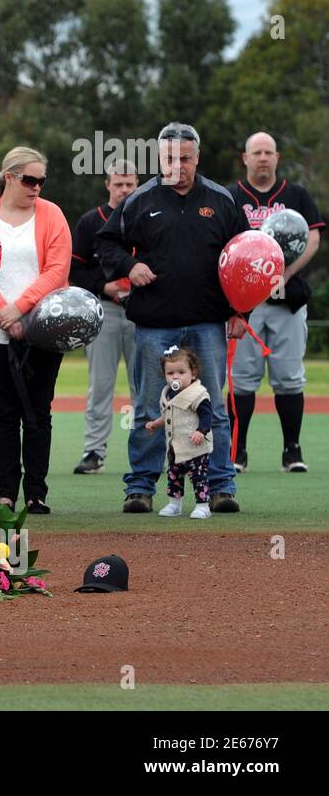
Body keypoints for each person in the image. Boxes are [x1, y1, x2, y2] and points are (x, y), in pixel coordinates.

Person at [97, 122, 249, 514]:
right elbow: (106, 243)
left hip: (207, 322)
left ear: (197, 157)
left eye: (184, 157)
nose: (176, 165)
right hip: (154, 323)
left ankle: (220, 486)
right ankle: (141, 487)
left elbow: (246, 254)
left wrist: (241, 311)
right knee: (149, 407)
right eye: (168, 158)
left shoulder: (221, 200)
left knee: (212, 406)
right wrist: (130, 266)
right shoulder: (139, 199)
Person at [0, 147, 72, 514]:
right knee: (1, 411)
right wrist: (2, 313)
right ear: (10, 177)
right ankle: (5, 492)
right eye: (30, 180)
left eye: (41, 181)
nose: (36, 188)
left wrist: (20, 311)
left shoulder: (52, 214)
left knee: (37, 411)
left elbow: (56, 271)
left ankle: (36, 492)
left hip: (42, 330)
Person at [229, 131, 323, 473]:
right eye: (257, 152)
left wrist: (283, 274)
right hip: (244, 304)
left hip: (287, 300)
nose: (263, 158)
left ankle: (292, 451)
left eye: (269, 152)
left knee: (289, 377)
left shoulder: (295, 194)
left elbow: (313, 238)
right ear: (246, 158)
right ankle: (237, 452)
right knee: (242, 378)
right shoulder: (231, 196)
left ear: (277, 157)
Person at [71, 161, 139, 474]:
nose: (124, 190)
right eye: (119, 184)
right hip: (105, 310)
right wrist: (103, 285)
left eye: (130, 184)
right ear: (107, 185)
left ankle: (150, 453)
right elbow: (74, 270)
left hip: (144, 312)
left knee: (147, 387)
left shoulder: (148, 217)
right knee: (100, 385)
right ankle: (94, 451)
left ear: (138, 184)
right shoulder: (90, 222)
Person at [145, 345, 215, 519]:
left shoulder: (197, 394)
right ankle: (174, 504)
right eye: (170, 373)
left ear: (193, 373)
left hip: (196, 447)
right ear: (165, 375)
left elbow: (207, 415)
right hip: (176, 448)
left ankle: (203, 505)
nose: (175, 376)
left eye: (181, 372)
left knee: (198, 477)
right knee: (174, 476)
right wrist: (156, 423)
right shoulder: (168, 395)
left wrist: (202, 431)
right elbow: (169, 415)